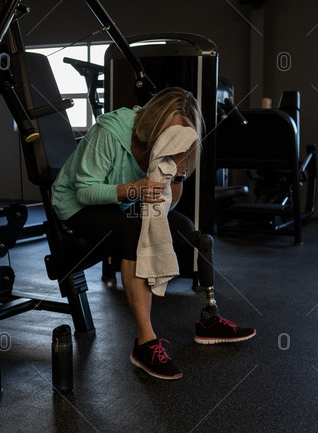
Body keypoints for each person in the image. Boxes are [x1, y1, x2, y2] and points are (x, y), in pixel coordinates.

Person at [51, 87, 255, 380]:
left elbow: (166, 205)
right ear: (154, 122)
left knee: (187, 232)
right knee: (130, 235)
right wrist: (134, 189)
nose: (174, 142)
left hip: (123, 204)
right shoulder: (111, 132)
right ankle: (145, 343)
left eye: (181, 138)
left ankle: (209, 319)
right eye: (170, 136)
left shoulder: (170, 149)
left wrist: (178, 168)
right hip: (76, 203)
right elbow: (84, 191)